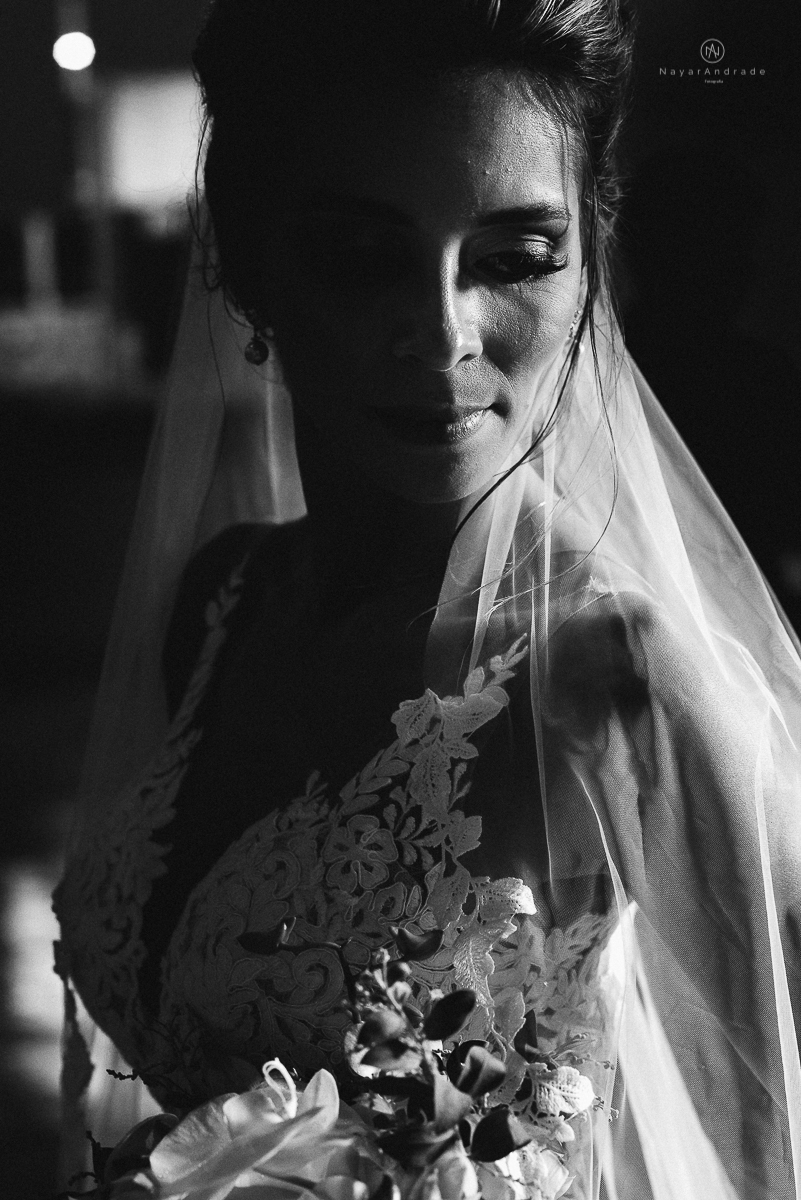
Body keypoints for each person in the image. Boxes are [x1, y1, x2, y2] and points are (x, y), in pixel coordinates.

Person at [54, 2, 801, 1197]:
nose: (442, 330)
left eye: (513, 258)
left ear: (587, 270)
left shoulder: (623, 678)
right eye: (362, 255)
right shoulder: (225, 601)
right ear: (248, 262)